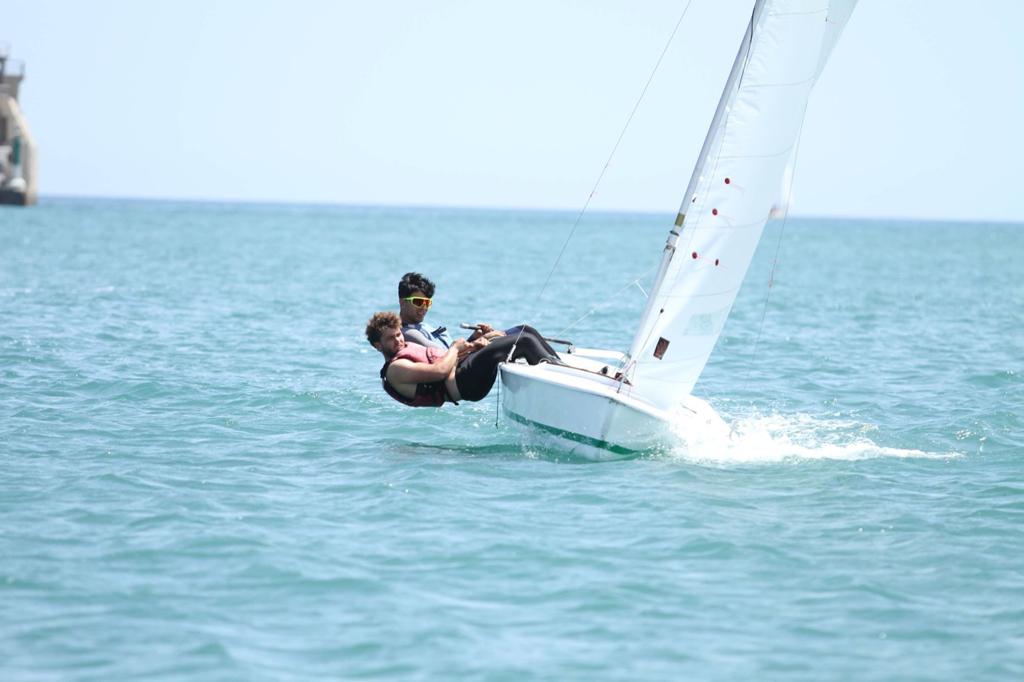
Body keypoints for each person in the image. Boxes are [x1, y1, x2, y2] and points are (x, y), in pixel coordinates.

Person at [365, 311, 560, 406]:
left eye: (399, 334)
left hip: (464, 367)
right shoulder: (395, 369)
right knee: (523, 341)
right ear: (378, 345)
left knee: (523, 330)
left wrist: (476, 341)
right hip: (463, 383)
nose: (399, 340)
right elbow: (440, 371)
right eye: (391, 338)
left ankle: (560, 367)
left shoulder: (406, 347)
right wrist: (456, 347)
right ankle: (558, 385)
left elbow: (448, 357)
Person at [397, 271, 559, 357]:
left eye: (427, 303)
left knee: (525, 329)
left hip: (467, 355)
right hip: (463, 367)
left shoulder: (420, 326)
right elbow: (447, 355)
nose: (424, 308)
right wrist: (484, 339)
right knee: (523, 339)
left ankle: (557, 363)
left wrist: (474, 337)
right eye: (419, 302)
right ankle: (552, 368)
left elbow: (454, 349)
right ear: (403, 302)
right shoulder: (408, 333)